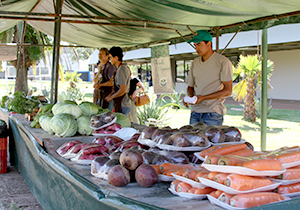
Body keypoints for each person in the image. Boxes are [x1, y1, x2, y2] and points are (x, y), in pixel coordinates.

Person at [184, 30, 233, 126]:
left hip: (213, 113)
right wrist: (190, 98)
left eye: (199, 44)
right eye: (195, 45)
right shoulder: (195, 62)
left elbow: (228, 91)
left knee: (211, 141)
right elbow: (190, 87)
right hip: (195, 112)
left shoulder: (222, 61)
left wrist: (203, 98)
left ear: (209, 43)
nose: (196, 48)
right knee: (192, 140)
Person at [105, 47, 131, 116]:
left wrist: (111, 97)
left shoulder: (121, 70)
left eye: (110, 57)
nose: (109, 60)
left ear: (116, 57)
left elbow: (123, 90)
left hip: (123, 103)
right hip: (121, 103)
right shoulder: (119, 69)